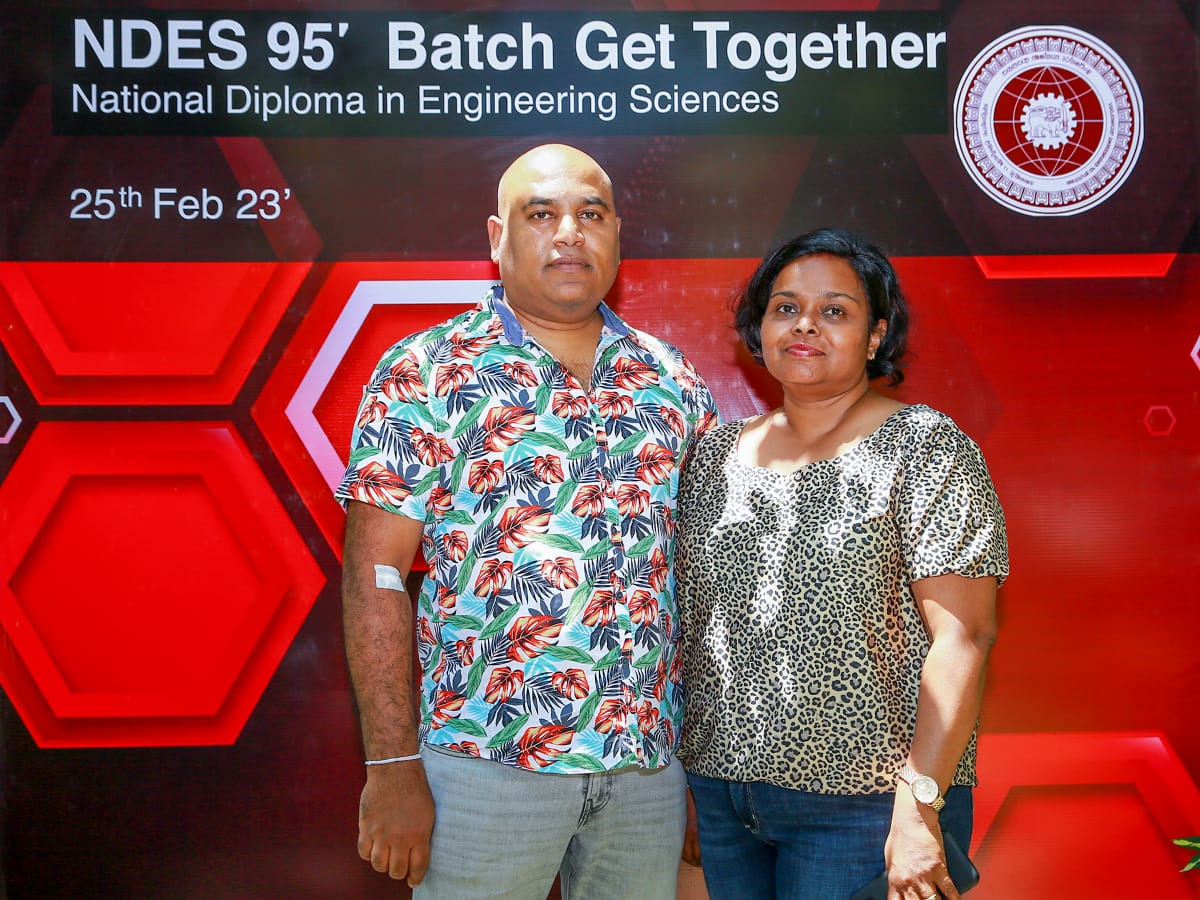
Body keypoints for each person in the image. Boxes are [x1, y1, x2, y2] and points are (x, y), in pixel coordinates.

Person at [336, 143, 718, 899]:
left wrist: (706, 773)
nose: (569, 232)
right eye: (541, 214)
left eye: (591, 214)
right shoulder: (427, 371)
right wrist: (390, 766)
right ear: (497, 238)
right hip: (483, 769)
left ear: (616, 234)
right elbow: (373, 577)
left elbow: (703, 588)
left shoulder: (671, 379)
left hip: (646, 772)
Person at [675, 228, 1008, 900]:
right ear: (760, 326)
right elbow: (697, 634)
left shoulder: (925, 449)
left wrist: (919, 808)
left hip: (868, 810)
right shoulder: (712, 457)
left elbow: (964, 637)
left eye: (835, 311)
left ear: (876, 335)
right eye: (785, 307)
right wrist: (691, 787)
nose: (806, 325)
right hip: (724, 802)